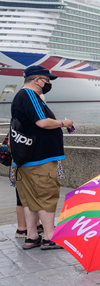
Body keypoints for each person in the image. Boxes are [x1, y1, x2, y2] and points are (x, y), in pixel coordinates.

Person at [10, 65, 73, 250]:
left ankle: (31, 236)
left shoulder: (19, 97)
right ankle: (49, 237)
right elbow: (42, 122)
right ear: (36, 80)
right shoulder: (30, 95)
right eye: (46, 80)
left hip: (26, 159)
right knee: (47, 197)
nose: (48, 84)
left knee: (30, 199)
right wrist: (63, 123)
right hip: (39, 159)